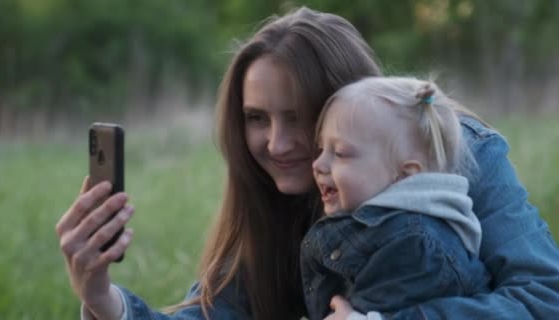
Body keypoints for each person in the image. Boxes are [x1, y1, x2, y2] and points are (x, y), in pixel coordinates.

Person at [55, 6, 559, 320]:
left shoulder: (459, 152)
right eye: (256, 118)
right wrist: (103, 300)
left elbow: (544, 299)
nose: (276, 144)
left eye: (298, 118)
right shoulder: (274, 192)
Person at [302, 77, 491, 320]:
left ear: (404, 176)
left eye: (339, 153)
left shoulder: (413, 244)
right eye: (321, 150)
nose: (318, 164)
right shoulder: (389, 228)